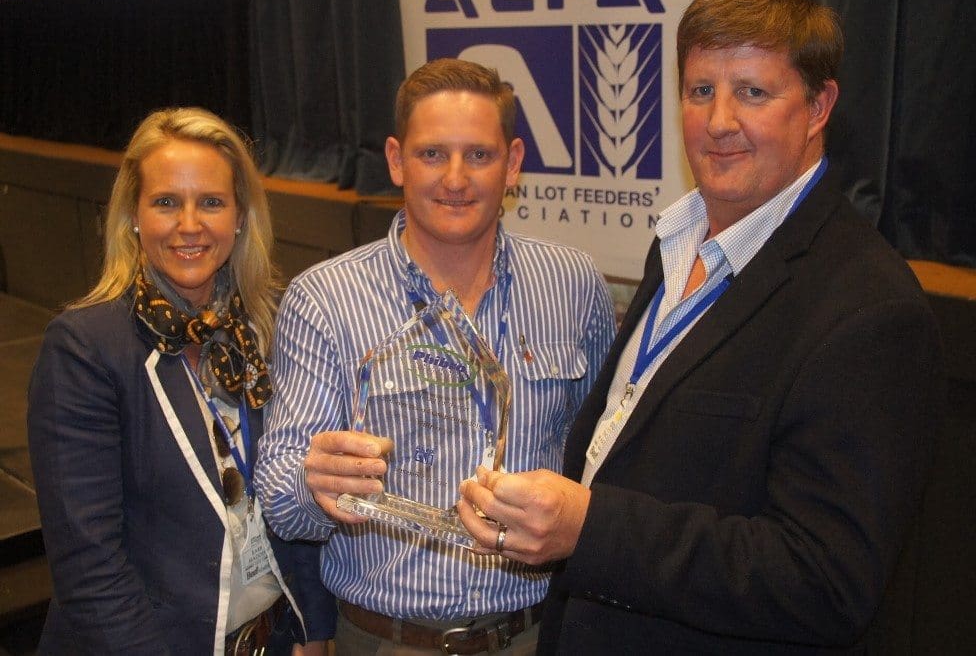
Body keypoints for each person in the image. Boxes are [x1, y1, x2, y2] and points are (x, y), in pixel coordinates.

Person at [457, 0, 944, 653]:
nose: (719, 122)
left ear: (818, 104)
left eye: (753, 91)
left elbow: (827, 581)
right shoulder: (678, 243)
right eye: (700, 91)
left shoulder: (869, 310)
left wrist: (589, 528)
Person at [254, 58, 616, 655]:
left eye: (478, 155)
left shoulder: (573, 284)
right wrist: (313, 483)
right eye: (431, 155)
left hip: (540, 634)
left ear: (514, 163)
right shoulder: (324, 298)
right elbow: (281, 504)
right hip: (388, 641)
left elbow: (603, 452)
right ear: (396, 160)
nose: (455, 178)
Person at [27, 107, 331, 654]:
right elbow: (91, 570)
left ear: (240, 217)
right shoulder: (84, 348)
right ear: (134, 216)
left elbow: (293, 499)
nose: (189, 225)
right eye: (166, 202)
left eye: (211, 202)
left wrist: (311, 625)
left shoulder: (259, 334)